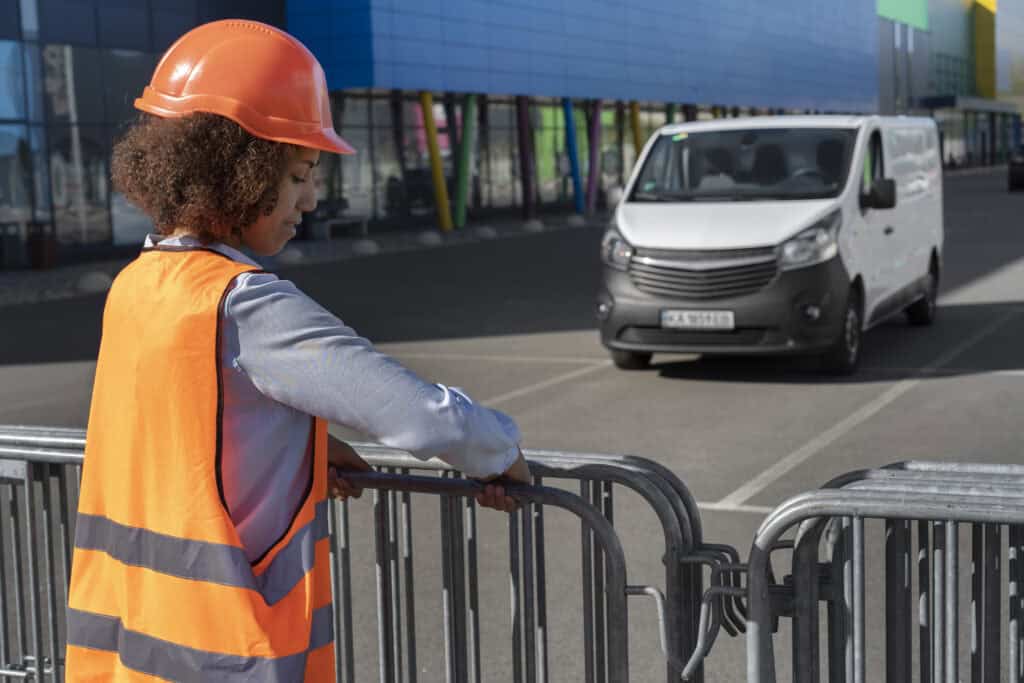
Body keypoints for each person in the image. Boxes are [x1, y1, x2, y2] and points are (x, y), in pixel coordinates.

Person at [65, 19, 530, 681]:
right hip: (222, 654)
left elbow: (189, 436)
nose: (311, 198)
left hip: (129, 650)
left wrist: (302, 451)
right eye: (300, 174)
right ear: (238, 171)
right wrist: (502, 451)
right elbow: (422, 414)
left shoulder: (136, 286)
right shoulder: (245, 304)